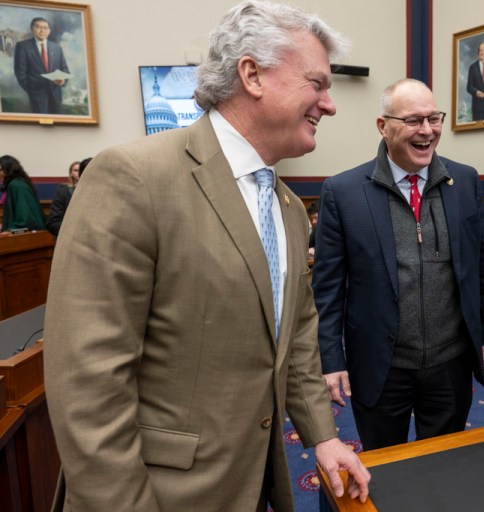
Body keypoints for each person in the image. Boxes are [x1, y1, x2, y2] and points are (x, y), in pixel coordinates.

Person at [43, 2, 370, 511]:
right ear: (252, 75)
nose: (329, 105)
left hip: (251, 480)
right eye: (317, 84)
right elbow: (88, 384)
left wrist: (323, 436)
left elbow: (296, 335)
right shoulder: (134, 177)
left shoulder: (288, 208)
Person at [312, 78, 484, 452]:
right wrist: (330, 359)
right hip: (380, 366)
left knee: (443, 462)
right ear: (383, 126)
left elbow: (482, 264)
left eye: (434, 118)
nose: (427, 130)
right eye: (414, 120)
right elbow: (327, 291)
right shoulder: (343, 192)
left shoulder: (465, 181)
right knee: (385, 465)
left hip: (451, 363)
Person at [14, 17, 70, 114]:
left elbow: (64, 69)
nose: (42, 30)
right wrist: (31, 90)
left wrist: (62, 81)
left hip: (55, 95)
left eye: (45, 28)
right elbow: (20, 73)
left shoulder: (56, 47)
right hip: (36, 95)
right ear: (32, 29)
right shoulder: (22, 46)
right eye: (38, 27)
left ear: (49, 30)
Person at [0, 154, 45, 232]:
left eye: (1, 169)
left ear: (9, 170)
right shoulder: (19, 183)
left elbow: (25, 220)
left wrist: (9, 230)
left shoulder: (16, 185)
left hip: (24, 236)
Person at [46, 158, 89, 236]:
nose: (79, 173)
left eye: (80, 170)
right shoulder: (64, 192)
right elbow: (53, 223)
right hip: (69, 236)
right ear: (70, 173)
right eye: (76, 170)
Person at [466, 42, 484, 121]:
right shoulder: (472, 67)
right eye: (480, 50)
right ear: (477, 52)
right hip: (477, 105)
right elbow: (469, 87)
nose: (482, 52)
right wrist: (477, 92)